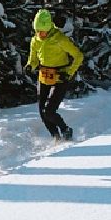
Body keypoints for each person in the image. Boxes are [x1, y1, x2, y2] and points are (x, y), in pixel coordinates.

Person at [26, 8, 83, 140]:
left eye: (43, 32)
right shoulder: (35, 40)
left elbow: (78, 56)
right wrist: (30, 66)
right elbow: (33, 59)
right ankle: (56, 137)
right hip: (43, 77)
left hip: (60, 78)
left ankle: (65, 129)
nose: (41, 34)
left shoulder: (60, 39)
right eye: (38, 31)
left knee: (49, 111)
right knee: (42, 113)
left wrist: (68, 73)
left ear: (49, 28)